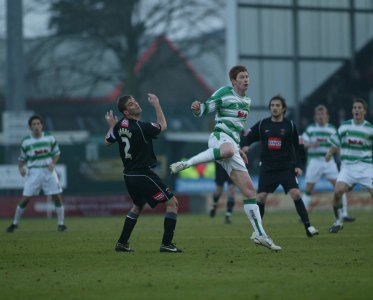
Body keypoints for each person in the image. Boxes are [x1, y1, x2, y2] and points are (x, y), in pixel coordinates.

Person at [170, 65, 281, 251]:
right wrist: (197, 108)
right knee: (228, 151)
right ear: (233, 81)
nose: (246, 79)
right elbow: (205, 109)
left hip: (232, 144)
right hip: (219, 138)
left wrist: (238, 148)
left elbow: (237, 129)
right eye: (242, 77)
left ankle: (260, 234)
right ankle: (186, 163)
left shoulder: (247, 101)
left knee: (250, 191)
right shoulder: (224, 93)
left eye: (247, 76)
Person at [105, 93, 182, 253]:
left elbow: (107, 141)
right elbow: (163, 126)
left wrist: (112, 126)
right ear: (126, 112)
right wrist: (156, 104)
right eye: (131, 104)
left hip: (128, 175)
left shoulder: (120, 125)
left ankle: (122, 243)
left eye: (135, 101)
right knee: (172, 203)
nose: (136, 104)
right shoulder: (141, 127)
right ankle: (166, 244)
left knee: (137, 206)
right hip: (142, 174)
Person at [241, 95, 319, 238]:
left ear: (283, 108)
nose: (274, 108)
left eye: (277, 105)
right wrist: (245, 145)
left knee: (295, 194)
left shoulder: (290, 125)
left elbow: (299, 146)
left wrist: (299, 166)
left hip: (286, 168)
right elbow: (248, 135)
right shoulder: (262, 124)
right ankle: (258, 231)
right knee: (261, 197)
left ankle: (308, 226)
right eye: (272, 105)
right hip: (267, 168)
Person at [326, 98, 373, 234]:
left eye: (359, 108)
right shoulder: (344, 126)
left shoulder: (372, 130)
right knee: (337, 192)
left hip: (365, 167)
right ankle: (338, 222)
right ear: (352, 110)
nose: (356, 110)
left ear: (364, 111)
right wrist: (329, 153)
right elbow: (335, 143)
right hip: (347, 168)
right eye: (354, 108)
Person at [6, 115, 67, 233]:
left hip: (48, 172)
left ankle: (61, 224)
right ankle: (14, 224)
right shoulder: (26, 141)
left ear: (42, 125)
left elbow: (57, 153)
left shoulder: (49, 138)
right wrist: (21, 168)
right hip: (34, 172)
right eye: (34, 124)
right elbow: (21, 159)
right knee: (26, 199)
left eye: (38, 124)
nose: (36, 126)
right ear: (30, 127)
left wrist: (53, 163)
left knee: (57, 197)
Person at [302, 105, 355, 221]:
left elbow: (338, 145)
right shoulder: (310, 129)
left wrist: (342, 159)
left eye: (323, 114)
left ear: (327, 116)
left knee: (339, 187)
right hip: (314, 161)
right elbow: (301, 142)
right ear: (315, 117)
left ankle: (344, 213)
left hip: (328, 162)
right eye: (319, 114)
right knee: (308, 188)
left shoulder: (332, 129)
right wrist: (311, 145)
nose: (321, 116)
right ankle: (304, 215)